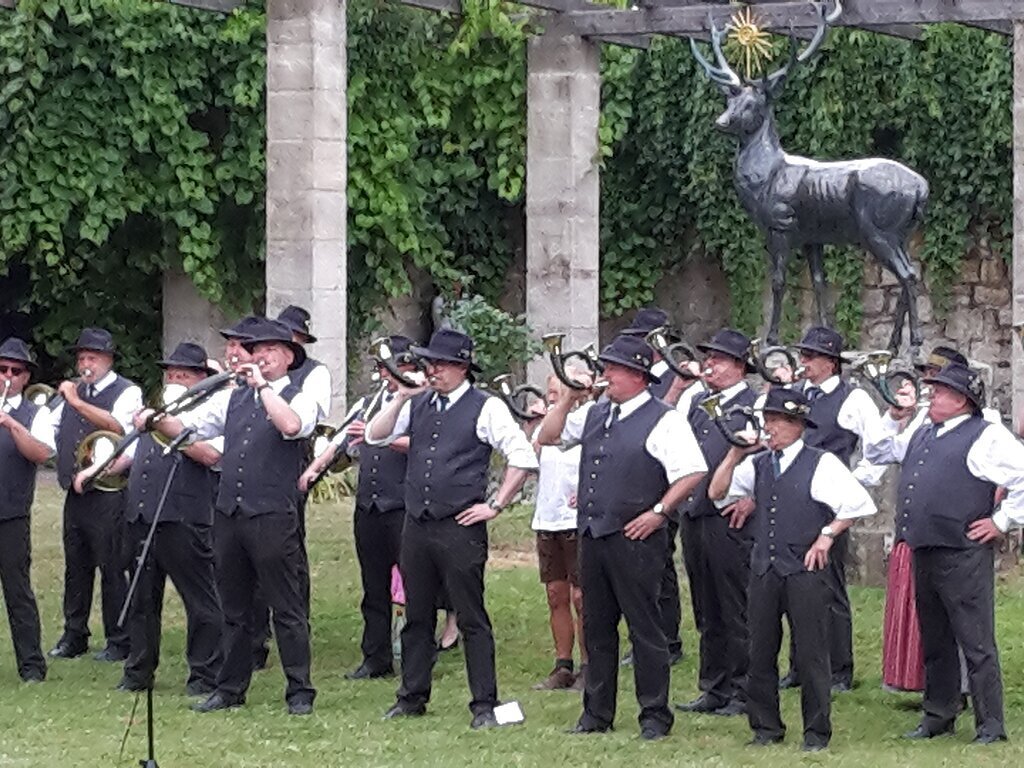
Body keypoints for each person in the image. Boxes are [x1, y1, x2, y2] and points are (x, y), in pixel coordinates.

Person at [366, 329, 538, 730]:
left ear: (462, 368)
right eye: (431, 364)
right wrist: (400, 398)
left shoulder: (485, 406)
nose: (433, 371)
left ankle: (484, 702)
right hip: (417, 524)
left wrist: (495, 505)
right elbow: (376, 435)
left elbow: (522, 456)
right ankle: (412, 696)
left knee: (470, 615)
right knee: (417, 613)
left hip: (460, 525)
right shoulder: (419, 402)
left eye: (441, 365)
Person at [538, 335, 706, 740]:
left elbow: (692, 470)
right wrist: (567, 397)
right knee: (597, 627)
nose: (606, 375)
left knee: (645, 627)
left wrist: (659, 511)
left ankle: (654, 715)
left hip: (635, 538)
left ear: (637, 375)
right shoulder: (596, 412)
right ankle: (597, 713)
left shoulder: (664, 418)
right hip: (594, 534)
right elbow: (548, 436)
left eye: (613, 369)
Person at [153, 318, 318, 715]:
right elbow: (190, 426)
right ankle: (230, 688)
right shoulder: (233, 398)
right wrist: (154, 419)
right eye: (256, 350)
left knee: (286, 607)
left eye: (271, 350)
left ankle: (299, 690)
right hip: (230, 514)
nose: (261, 356)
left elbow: (291, 426)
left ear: (289, 357)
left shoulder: (299, 397)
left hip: (272, 516)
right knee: (234, 607)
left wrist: (263, 388)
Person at [709, 387, 877, 751]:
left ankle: (816, 732)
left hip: (804, 569)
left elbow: (858, 503)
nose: (769, 428)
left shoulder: (821, 462)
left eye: (777, 421)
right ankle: (765, 727)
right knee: (760, 650)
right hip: (765, 568)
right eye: (767, 420)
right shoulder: (758, 464)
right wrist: (734, 453)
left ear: (797, 425)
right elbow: (717, 493)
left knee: (811, 652)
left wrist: (827, 535)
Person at [864, 363, 1024, 744]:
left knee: (975, 640)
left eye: (939, 391)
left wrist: (1001, 521)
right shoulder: (922, 430)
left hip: (962, 552)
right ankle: (939, 714)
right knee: (934, 638)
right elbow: (877, 450)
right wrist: (894, 416)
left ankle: (990, 724)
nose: (930, 396)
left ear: (961, 400)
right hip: (925, 548)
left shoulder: (986, 436)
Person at [73, 343, 224, 696]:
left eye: (184, 374)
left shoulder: (211, 412)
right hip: (142, 514)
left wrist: (167, 429)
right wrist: (98, 469)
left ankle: (204, 675)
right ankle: (138, 672)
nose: (175, 379)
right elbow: (134, 452)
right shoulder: (157, 411)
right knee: (141, 599)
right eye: (171, 373)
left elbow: (210, 455)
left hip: (183, 518)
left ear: (201, 379)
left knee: (200, 600)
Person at [774, 326, 885, 692]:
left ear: (831, 362)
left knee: (829, 585)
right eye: (802, 355)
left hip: (828, 504)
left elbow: (877, 449)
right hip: (793, 498)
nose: (803, 362)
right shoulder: (800, 393)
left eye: (810, 357)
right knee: (791, 582)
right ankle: (799, 665)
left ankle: (839, 668)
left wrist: (852, 483)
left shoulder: (853, 399)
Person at [299, 335, 416, 681]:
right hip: (370, 505)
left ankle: (415, 656)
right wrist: (312, 470)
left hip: (403, 504)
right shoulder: (368, 403)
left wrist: (378, 437)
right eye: (381, 367)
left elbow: (424, 443)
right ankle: (376, 657)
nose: (385, 374)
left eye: (390, 366)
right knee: (373, 584)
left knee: (413, 585)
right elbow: (338, 443)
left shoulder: (420, 402)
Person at [676, 328, 758, 717]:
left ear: (739, 366)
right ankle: (714, 685)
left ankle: (744, 688)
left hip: (731, 516)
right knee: (705, 604)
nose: (710, 365)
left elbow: (769, 457)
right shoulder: (698, 402)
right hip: (696, 513)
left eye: (719, 359)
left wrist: (753, 498)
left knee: (735, 604)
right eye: (708, 358)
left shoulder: (754, 405)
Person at [50, 328, 142, 662]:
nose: (85, 364)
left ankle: (119, 638)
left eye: (92, 358)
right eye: (82, 358)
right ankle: (74, 634)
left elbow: (118, 427)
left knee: (113, 564)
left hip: (109, 492)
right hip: (76, 492)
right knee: (76, 564)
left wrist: (76, 401)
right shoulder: (74, 390)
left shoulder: (127, 391)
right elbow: (53, 429)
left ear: (108, 360)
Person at [618, 307, 685, 667]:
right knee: (638, 568)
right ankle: (646, 636)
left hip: (663, 482)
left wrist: (675, 388)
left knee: (659, 566)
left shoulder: (677, 378)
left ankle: (667, 639)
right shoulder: (643, 379)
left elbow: (671, 423)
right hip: (635, 480)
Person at [0, 337, 54, 682]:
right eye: (2, 369)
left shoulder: (37, 413)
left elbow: (42, 453)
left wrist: (10, 423)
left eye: (15, 371)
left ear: (25, 377)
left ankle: (32, 665)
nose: (7, 376)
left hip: (11, 514)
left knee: (17, 590)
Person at [529, 374, 585, 691]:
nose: (551, 397)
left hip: (575, 519)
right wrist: (531, 425)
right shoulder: (547, 424)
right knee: (555, 594)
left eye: (557, 392)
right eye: (549, 392)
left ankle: (589, 665)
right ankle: (563, 664)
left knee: (582, 596)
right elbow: (531, 458)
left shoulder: (585, 420)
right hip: (548, 518)